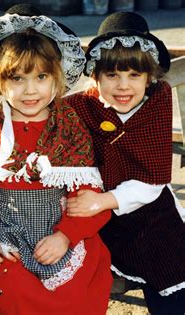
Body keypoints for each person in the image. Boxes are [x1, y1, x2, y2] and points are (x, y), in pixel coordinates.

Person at [0, 8, 112, 315]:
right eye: (17, 78)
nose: (29, 90)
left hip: (60, 226)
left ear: (57, 77)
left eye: (41, 77)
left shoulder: (68, 124)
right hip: (7, 233)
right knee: (17, 287)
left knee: (78, 287)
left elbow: (89, 196)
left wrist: (66, 236)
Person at [65, 11, 185, 314]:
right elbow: (33, 106)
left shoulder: (157, 100)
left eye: (134, 75)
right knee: (75, 269)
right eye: (112, 75)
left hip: (148, 206)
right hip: (97, 216)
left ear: (150, 78)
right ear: (96, 75)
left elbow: (155, 178)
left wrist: (105, 200)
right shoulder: (81, 105)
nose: (123, 86)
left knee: (170, 265)